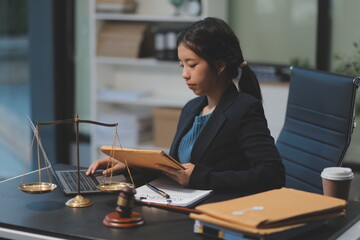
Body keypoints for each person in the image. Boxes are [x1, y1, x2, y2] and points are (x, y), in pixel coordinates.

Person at [87, 17, 285, 194]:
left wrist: (202, 177)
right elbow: (175, 167)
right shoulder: (192, 107)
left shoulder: (244, 109)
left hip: (216, 211)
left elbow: (272, 175)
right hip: (180, 204)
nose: (185, 74)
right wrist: (131, 165)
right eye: (182, 65)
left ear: (220, 65)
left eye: (192, 64)